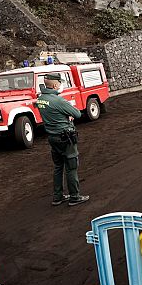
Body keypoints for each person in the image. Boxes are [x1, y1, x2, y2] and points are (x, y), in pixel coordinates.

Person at [36, 73, 90, 206]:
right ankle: (74, 196)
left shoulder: (41, 99)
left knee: (58, 167)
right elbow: (77, 113)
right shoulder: (58, 100)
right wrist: (67, 117)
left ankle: (57, 196)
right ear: (55, 84)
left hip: (52, 137)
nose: (61, 85)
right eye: (60, 83)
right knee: (71, 168)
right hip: (65, 137)